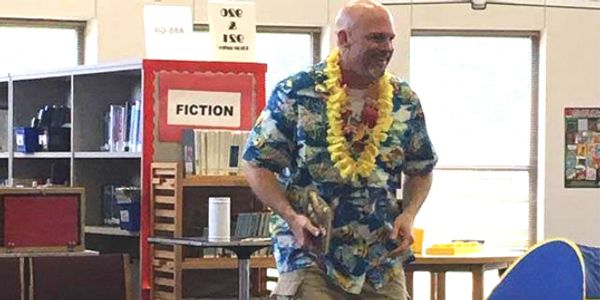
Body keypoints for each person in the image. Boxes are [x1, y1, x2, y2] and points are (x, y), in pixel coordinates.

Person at [242, 1, 437, 299]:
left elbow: (421, 169)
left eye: (390, 38)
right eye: (376, 38)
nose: (386, 47)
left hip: (379, 256)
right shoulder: (298, 91)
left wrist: (408, 214)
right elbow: (257, 163)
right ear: (343, 39)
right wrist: (292, 217)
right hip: (311, 254)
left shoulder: (403, 99)